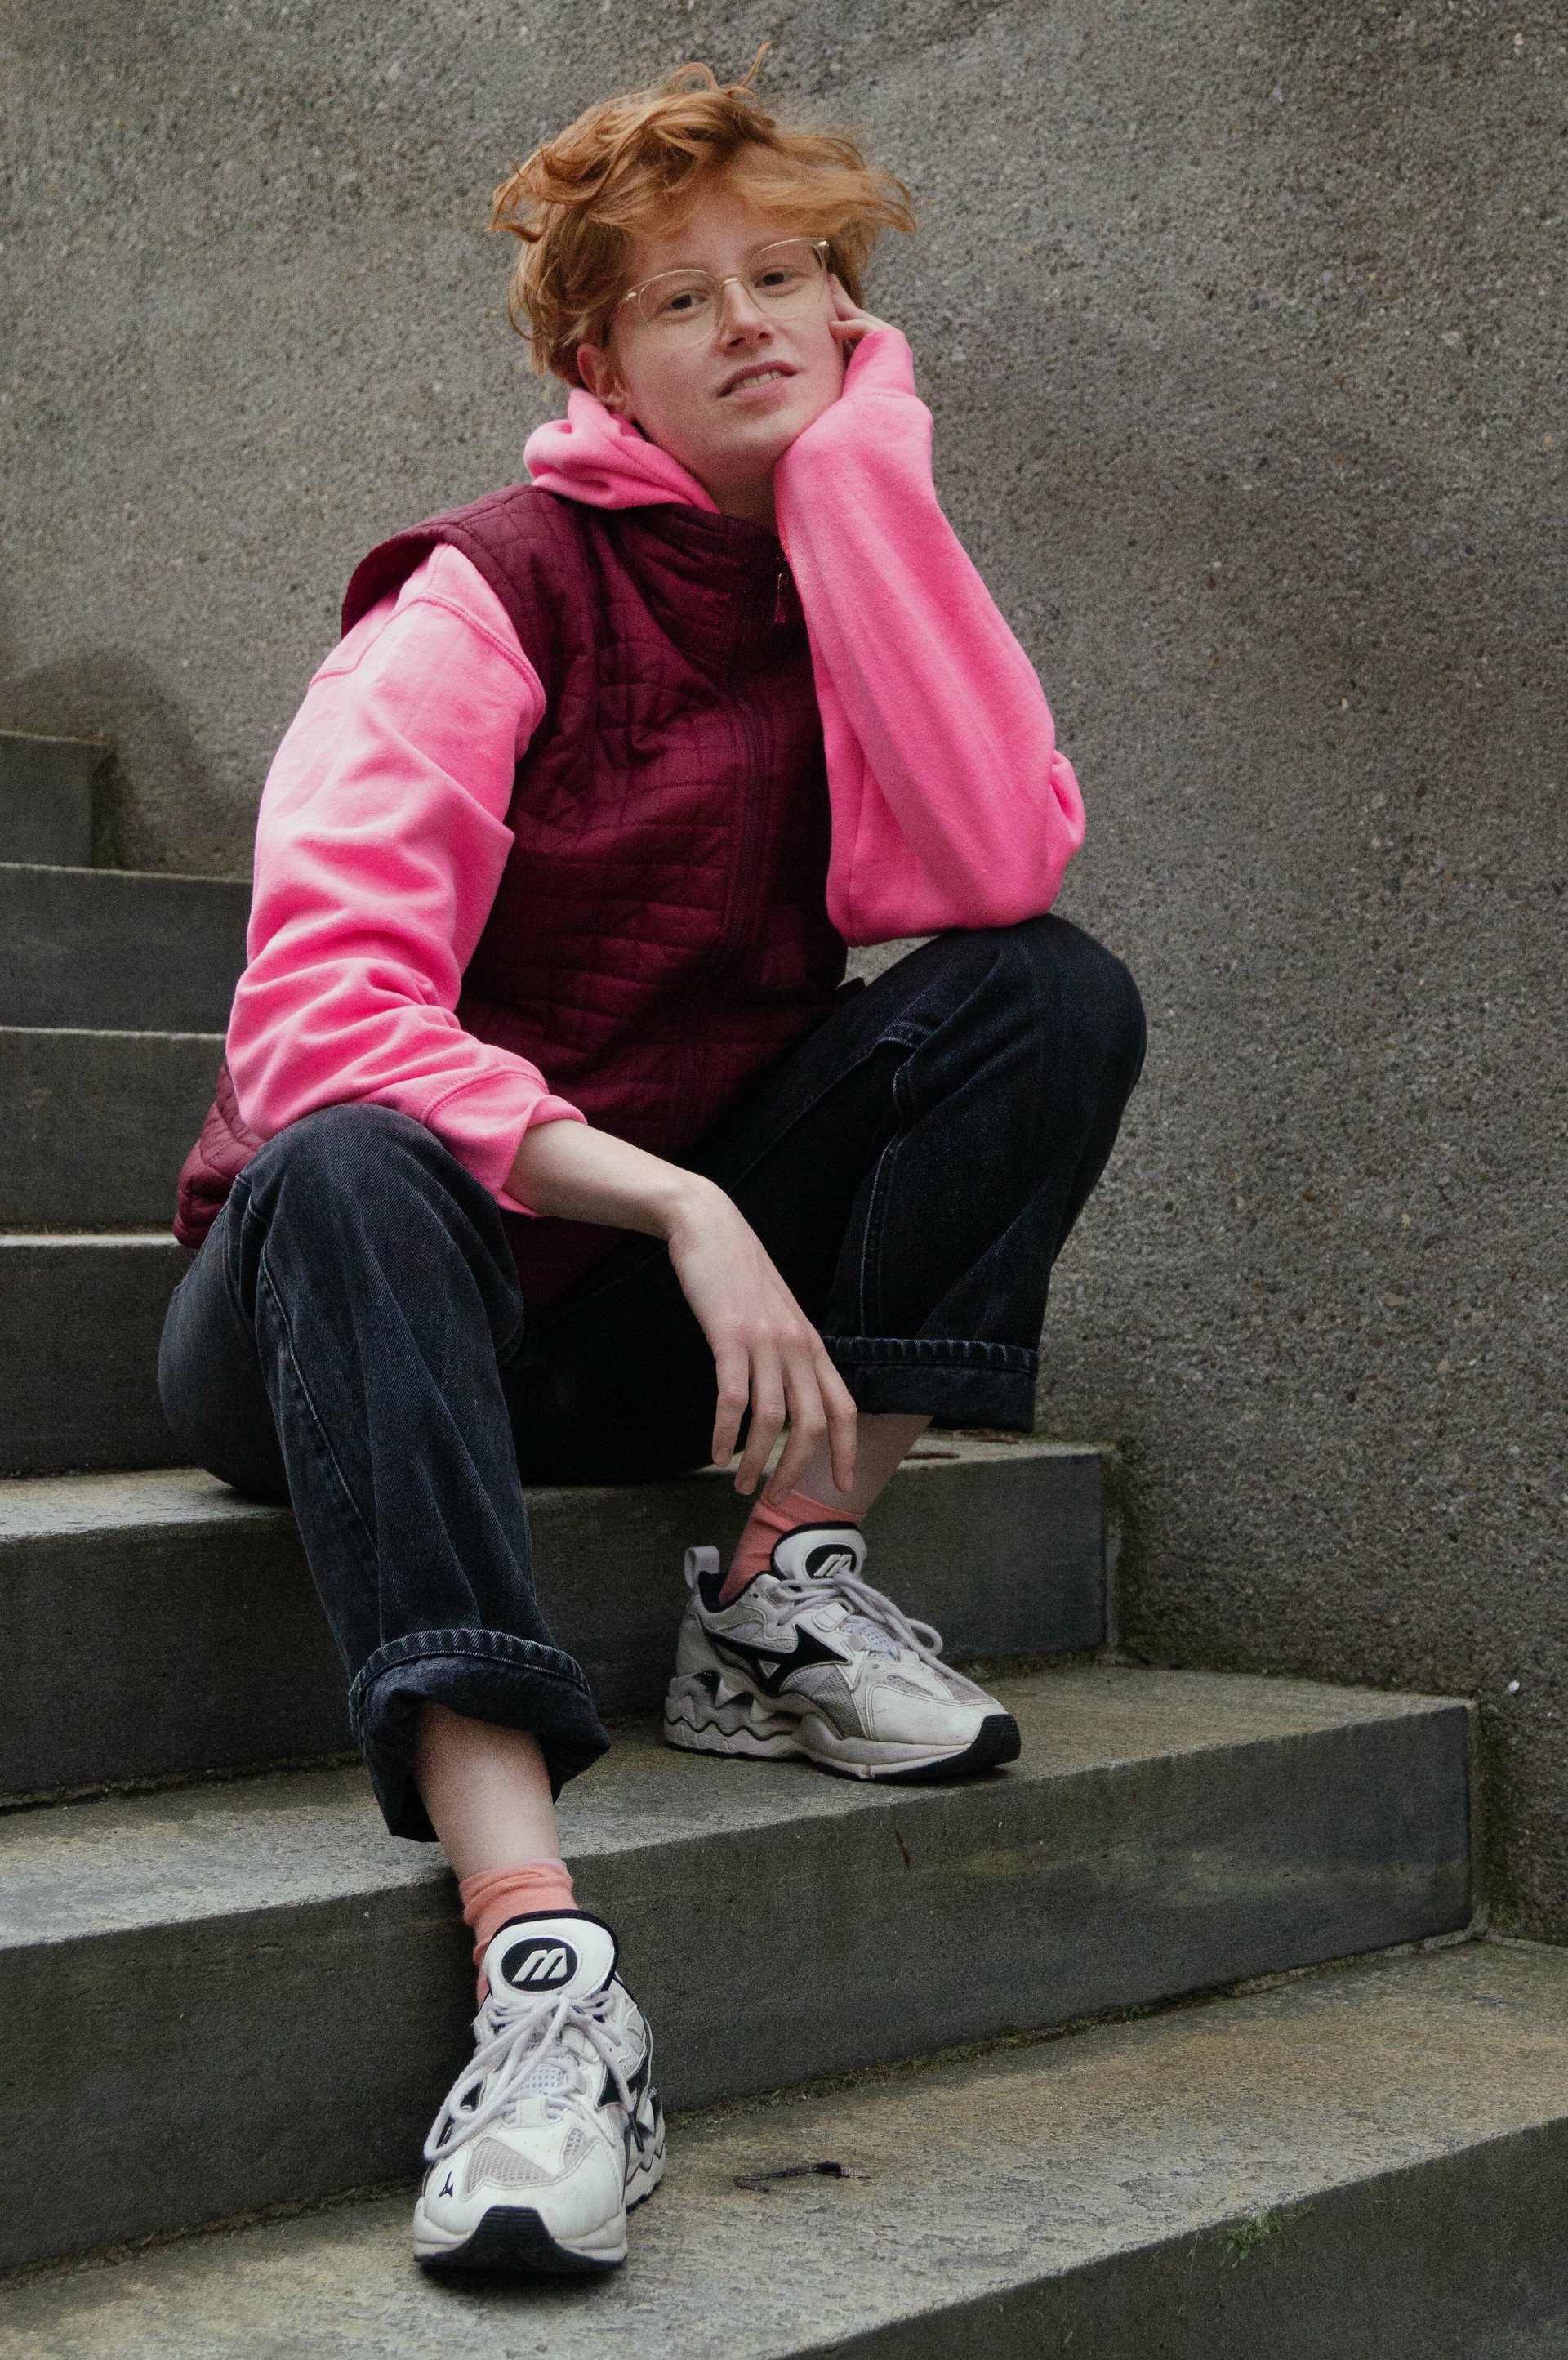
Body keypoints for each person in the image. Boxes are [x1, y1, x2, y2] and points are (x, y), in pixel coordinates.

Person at [158, 55, 1145, 2279]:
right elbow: (315, 1023)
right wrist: (683, 1201)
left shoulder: (835, 578)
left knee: (1047, 991)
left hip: (597, 1342)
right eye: (683, 298)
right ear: (598, 364)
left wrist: (871, 482)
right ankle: (541, 1967)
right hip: (335, 1304)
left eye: (786, 278)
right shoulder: (482, 597)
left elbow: (992, 867)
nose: (748, 323)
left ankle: (779, 1587)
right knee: (352, 1161)